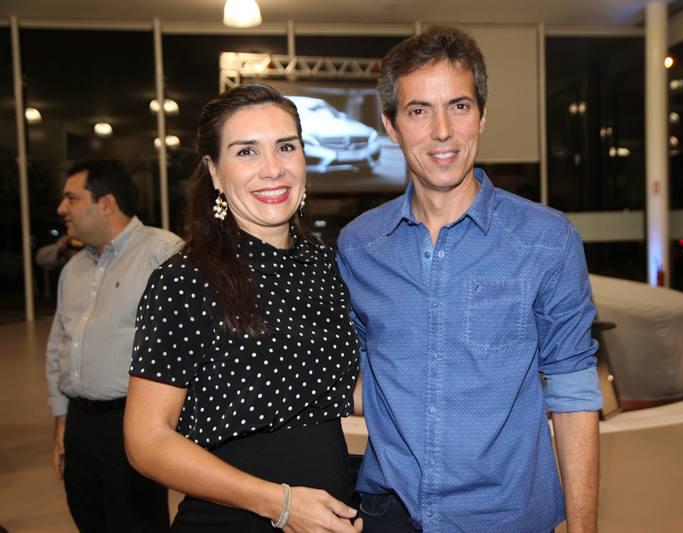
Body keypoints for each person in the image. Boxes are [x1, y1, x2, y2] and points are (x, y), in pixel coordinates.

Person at [337, 27, 603, 533]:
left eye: (458, 106)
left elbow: (572, 391)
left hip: (507, 517)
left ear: (481, 115)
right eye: (419, 111)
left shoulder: (547, 240)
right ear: (391, 125)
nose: (442, 131)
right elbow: (354, 378)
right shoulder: (359, 246)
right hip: (388, 513)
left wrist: (584, 527)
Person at [123, 83, 363, 533]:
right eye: (247, 152)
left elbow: (331, 385)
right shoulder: (186, 279)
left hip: (331, 515)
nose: (273, 169)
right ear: (214, 172)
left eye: (286, 147)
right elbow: (146, 440)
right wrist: (280, 504)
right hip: (235, 521)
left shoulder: (323, 263)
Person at [45, 158, 180, 532]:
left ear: (106, 203)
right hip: (79, 422)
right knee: (87, 515)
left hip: (132, 421)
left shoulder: (162, 252)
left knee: (136, 523)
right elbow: (59, 344)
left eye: (72, 198)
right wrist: (61, 420)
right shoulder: (74, 268)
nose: (62, 208)